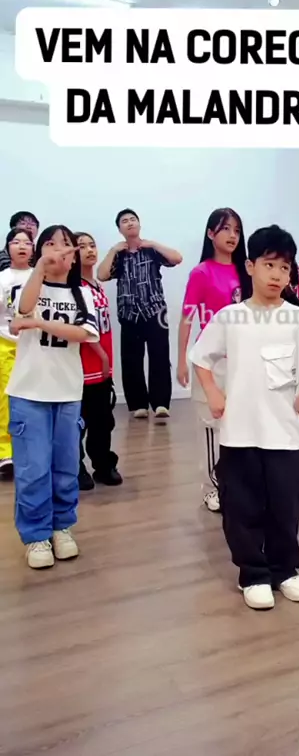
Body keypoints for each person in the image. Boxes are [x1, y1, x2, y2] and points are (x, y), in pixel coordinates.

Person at [190, 225, 299, 610]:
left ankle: (285, 569)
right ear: (250, 267)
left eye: (285, 267)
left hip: (284, 433)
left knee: (286, 505)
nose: (277, 274)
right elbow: (201, 358)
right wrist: (212, 392)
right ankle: (253, 573)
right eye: (269, 265)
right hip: (238, 431)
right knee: (241, 506)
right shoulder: (230, 317)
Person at [7, 225, 99, 569]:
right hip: (28, 393)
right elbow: (24, 307)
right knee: (32, 469)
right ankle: (35, 535)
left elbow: (83, 334)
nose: (58, 250)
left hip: (67, 393)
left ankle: (62, 527)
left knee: (65, 467)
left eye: (65, 244)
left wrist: (39, 324)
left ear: (74, 256)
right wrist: (40, 270)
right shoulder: (27, 284)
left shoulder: (83, 294)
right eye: (50, 243)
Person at [177, 207, 251, 513]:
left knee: (241, 426)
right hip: (211, 362)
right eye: (225, 229)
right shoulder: (202, 273)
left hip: (244, 360)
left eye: (237, 230)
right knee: (211, 426)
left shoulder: (247, 270)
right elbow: (187, 317)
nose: (232, 235)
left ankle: (239, 484)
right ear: (211, 234)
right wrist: (182, 359)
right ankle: (212, 488)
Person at [97, 209, 182, 420]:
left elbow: (177, 258)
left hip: (155, 310)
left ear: (139, 224)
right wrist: (113, 250)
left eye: (133, 219)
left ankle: (161, 403)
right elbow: (102, 275)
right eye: (124, 221)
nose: (129, 223)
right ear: (120, 229)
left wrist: (153, 244)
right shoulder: (119, 254)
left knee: (160, 356)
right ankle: (138, 405)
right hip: (129, 313)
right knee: (131, 360)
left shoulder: (151, 250)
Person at [76, 232, 122, 491]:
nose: (89, 250)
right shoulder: (74, 288)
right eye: (81, 246)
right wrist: (101, 355)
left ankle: (103, 464)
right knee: (78, 423)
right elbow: (82, 328)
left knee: (103, 421)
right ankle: (76, 467)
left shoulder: (96, 285)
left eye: (92, 245)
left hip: (103, 369)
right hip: (83, 367)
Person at [0, 228, 34, 480]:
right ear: (7, 248)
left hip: (35, 344)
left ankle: (32, 448)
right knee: (5, 399)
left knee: (33, 397)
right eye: (15, 242)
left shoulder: (39, 276)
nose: (21, 246)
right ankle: (5, 452)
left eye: (26, 242)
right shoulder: (3, 278)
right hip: (5, 343)